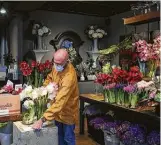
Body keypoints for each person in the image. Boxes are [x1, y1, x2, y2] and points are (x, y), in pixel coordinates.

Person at [32, 49, 79, 145]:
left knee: (68, 139)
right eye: (55, 62)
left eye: (59, 64)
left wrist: (43, 119)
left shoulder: (69, 77)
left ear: (67, 61)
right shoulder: (57, 67)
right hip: (57, 112)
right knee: (59, 137)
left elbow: (60, 101)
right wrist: (44, 89)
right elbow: (50, 77)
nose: (56, 66)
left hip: (68, 113)